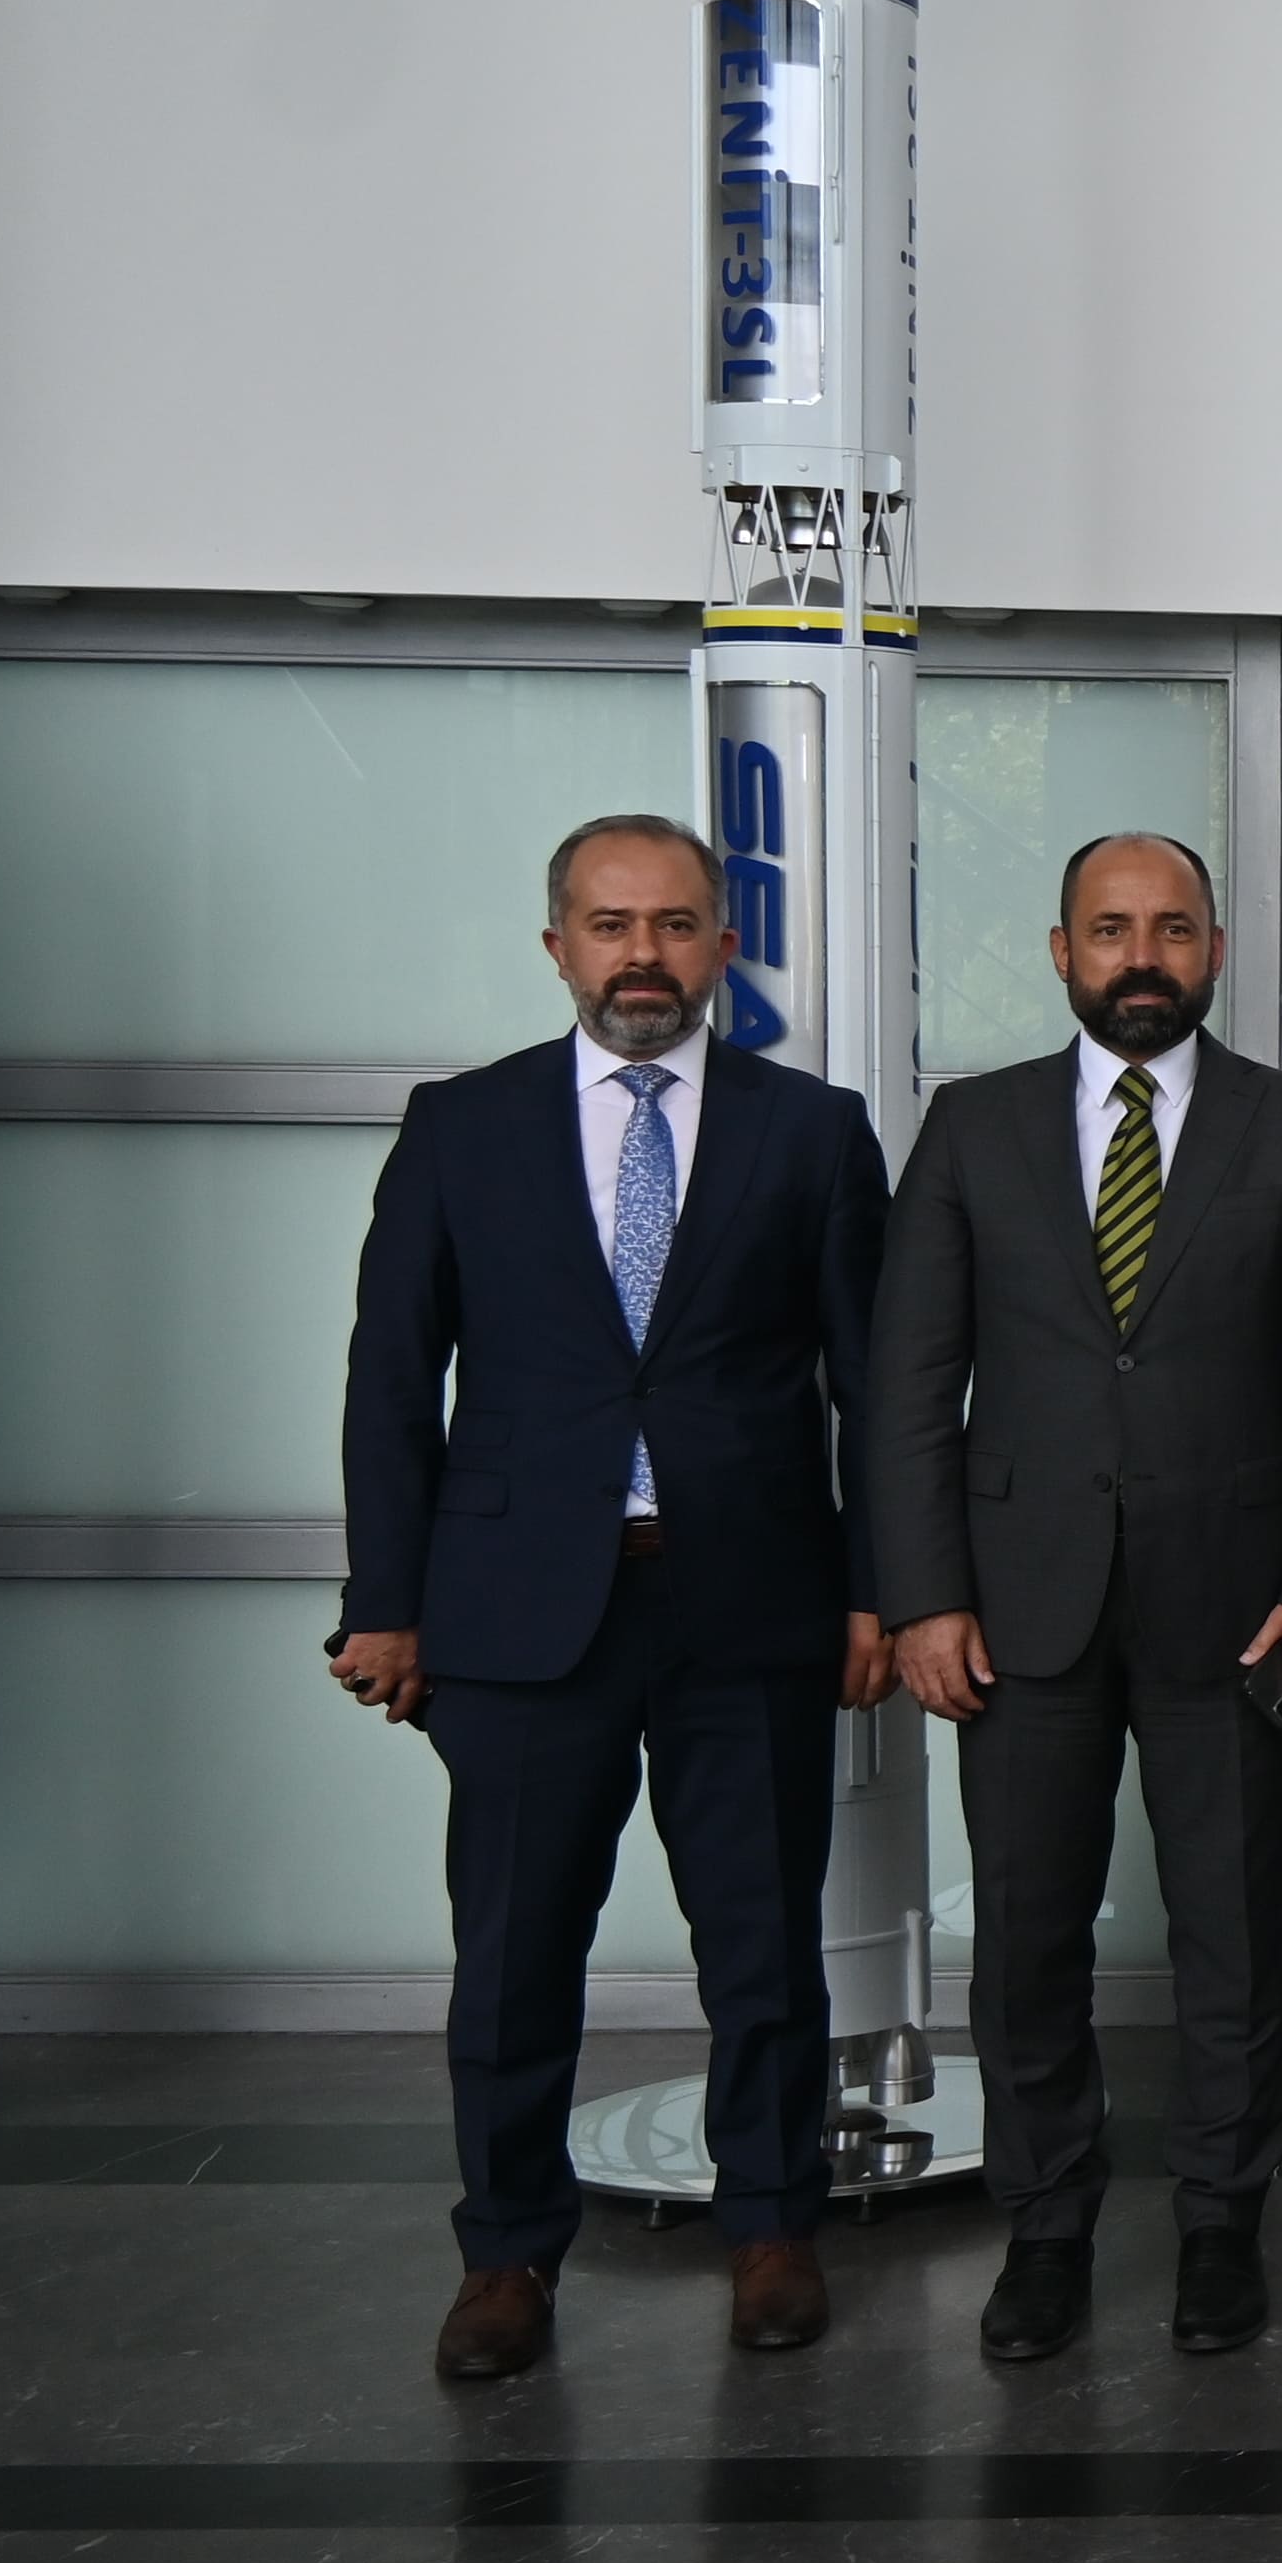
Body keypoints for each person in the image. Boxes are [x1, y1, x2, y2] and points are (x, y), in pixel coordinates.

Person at [333, 813, 891, 2380]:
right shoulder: (463, 1127)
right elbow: (393, 1379)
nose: (643, 954)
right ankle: (506, 2256)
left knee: (763, 1949)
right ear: (558, 946)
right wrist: (387, 1599)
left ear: (723, 945)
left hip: (752, 1608)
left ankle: (772, 2229)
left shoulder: (813, 1132)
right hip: (516, 1617)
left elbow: (877, 1389)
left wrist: (879, 1593)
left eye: (674, 924)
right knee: (515, 1956)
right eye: (610, 924)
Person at [871, 833, 1282, 2363]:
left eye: (1170, 929)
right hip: (1016, 1608)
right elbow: (910, 1386)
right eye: (1110, 930)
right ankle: (1046, 2229)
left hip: (1239, 1608)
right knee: (1027, 1936)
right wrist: (923, 1596)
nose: (1140, 957)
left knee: (1232, 1929)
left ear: (1213, 950)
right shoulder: (972, 1129)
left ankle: (1222, 2222)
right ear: (1062, 951)